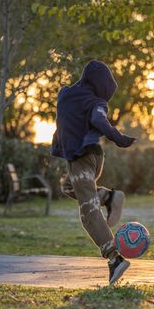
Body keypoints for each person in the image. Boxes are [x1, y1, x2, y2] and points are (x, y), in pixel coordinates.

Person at [51, 60, 136, 284]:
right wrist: (119, 138)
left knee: (88, 210)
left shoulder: (65, 94)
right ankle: (109, 196)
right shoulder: (96, 101)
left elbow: (66, 119)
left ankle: (114, 258)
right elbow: (98, 118)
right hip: (91, 155)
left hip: (82, 157)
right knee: (68, 186)